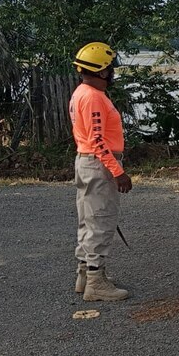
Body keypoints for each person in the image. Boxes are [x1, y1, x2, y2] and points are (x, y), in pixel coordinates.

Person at [69, 42, 132, 301]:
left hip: (86, 161)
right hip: (98, 164)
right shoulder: (94, 97)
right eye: (110, 68)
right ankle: (96, 282)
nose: (113, 72)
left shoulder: (81, 92)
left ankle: (85, 275)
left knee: (88, 219)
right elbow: (98, 141)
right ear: (103, 71)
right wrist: (118, 172)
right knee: (101, 220)